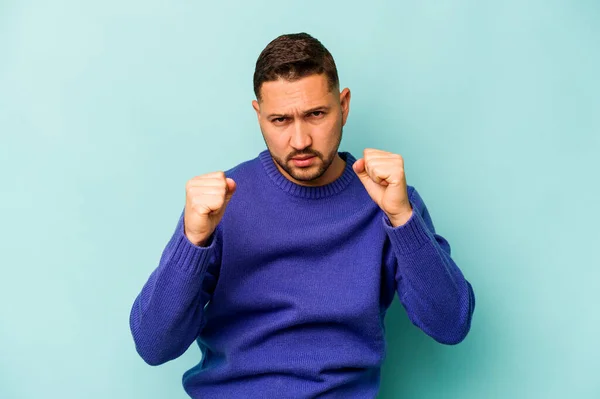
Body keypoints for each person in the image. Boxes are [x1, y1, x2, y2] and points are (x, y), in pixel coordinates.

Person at [129, 32, 475, 398]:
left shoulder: (388, 201)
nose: (300, 141)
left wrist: (403, 219)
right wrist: (193, 240)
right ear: (258, 115)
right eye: (280, 120)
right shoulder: (223, 204)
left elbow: (451, 324)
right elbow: (154, 345)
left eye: (315, 115)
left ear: (343, 106)